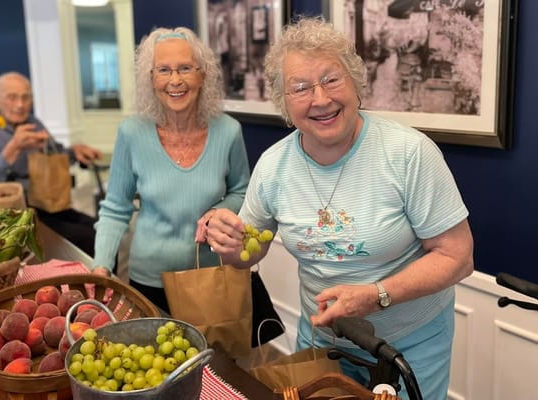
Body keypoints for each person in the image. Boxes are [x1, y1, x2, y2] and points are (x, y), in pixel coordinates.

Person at [204, 17, 473, 400]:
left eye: (332, 79)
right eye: (301, 88)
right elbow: (250, 248)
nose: (321, 99)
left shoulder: (408, 153)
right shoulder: (273, 166)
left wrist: (376, 294)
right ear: (283, 101)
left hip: (409, 345)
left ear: (356, 83)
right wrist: (231, 247)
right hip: (322, 343)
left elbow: (458, 256)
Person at [91, 26, 250, 313]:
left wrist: (219, 210)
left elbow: (242, 190)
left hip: (210, 275)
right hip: (149, 279)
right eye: (163, 70)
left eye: (185, 68)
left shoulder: (228, 131)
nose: (175, 80)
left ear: (202, 75)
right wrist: (101, 264)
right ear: (150, 79)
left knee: (213, 358)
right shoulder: (131, 133)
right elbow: (116, 207)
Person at [0, 71, 102, 256]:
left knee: (100, 229)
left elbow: (55, 156)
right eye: (12, 97)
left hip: (46, 202)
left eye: (26, 97)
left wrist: (74, 152)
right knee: (87, 237)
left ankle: (106, 282)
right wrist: (13, 148)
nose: (20, 104)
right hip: (14, 214)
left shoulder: (34, 122)